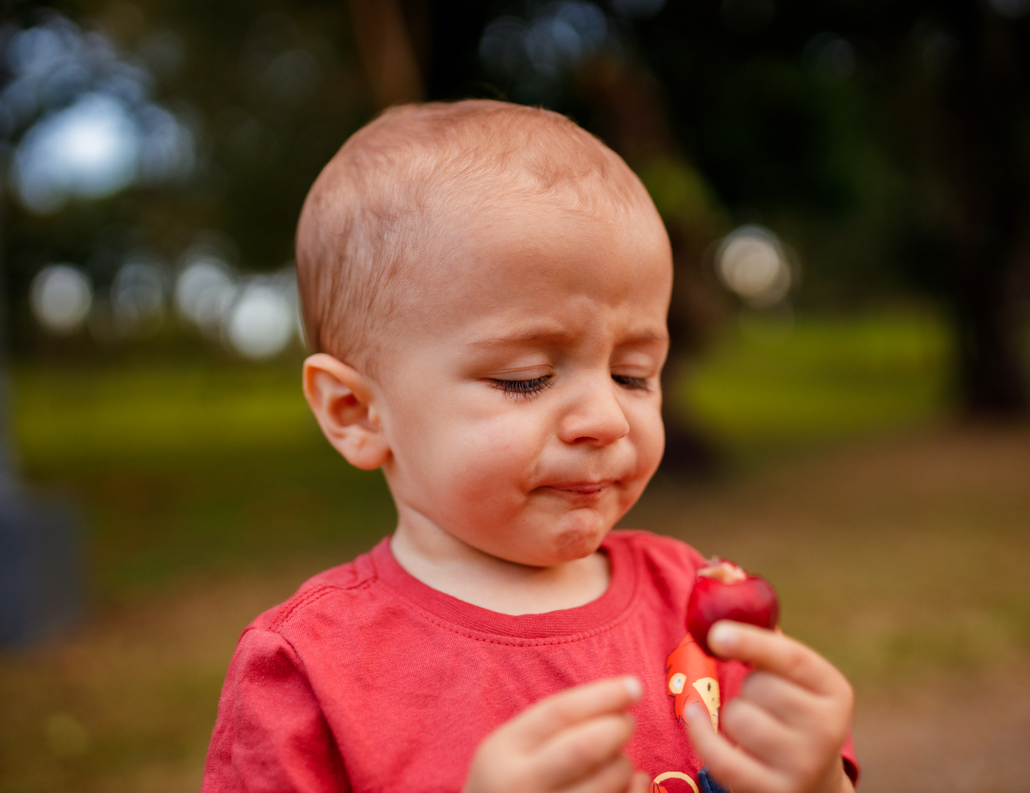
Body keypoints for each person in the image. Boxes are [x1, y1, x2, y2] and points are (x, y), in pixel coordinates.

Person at [203, 100, 857, 793]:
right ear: (357, 412)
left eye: (634, 374)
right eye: (527, 380)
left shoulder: (699, 607)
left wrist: (817, 782)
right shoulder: (310, 667)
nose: (604, 417)